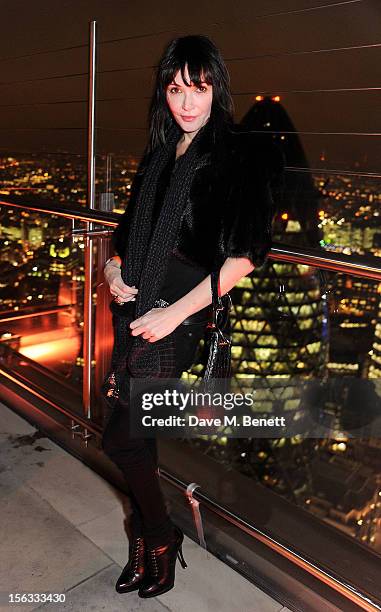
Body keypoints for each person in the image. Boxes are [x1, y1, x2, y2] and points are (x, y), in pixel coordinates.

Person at [101, 34, 283, 599]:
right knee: (135, 434)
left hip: (179, 313)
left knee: (120, 440)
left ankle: (157, 535)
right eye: (177, 88)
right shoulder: (159, 153)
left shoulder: (237, 150)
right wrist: (111, 272)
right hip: (134, 304)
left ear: (216, 88)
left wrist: (175, 316)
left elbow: (247, 255)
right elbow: (126, 235)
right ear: (165, 91)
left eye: (198, 88)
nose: (186, 102)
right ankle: (151, 538)